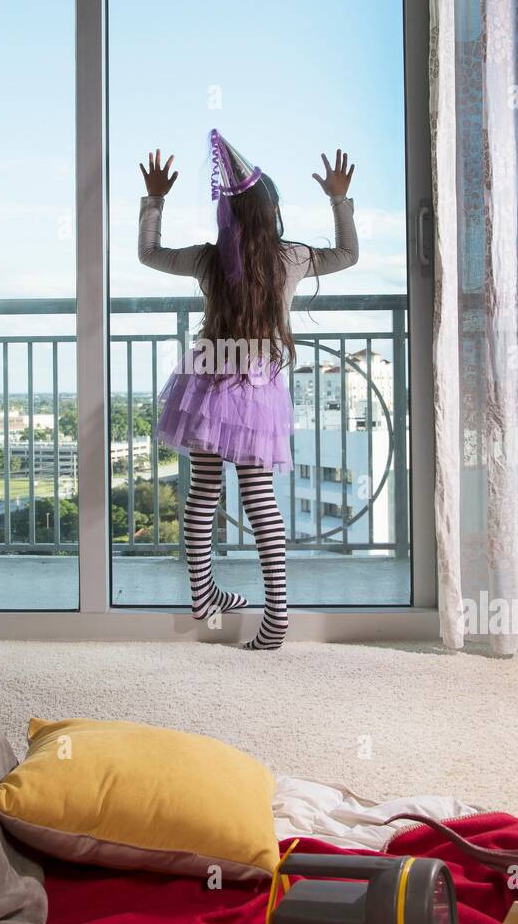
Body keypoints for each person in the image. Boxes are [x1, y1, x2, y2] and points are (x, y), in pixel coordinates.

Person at [138, 129, 358, 650]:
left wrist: (155, 199)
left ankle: (202, 594)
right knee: (260, 499)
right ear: (271, 211)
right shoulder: (293, 258)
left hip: (211, 381)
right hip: (257, 387)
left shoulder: (209, 259)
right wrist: (338, 198)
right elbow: (347, 254)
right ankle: (277, 615)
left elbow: (149, 254)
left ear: (228, 215)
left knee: (203, 493)